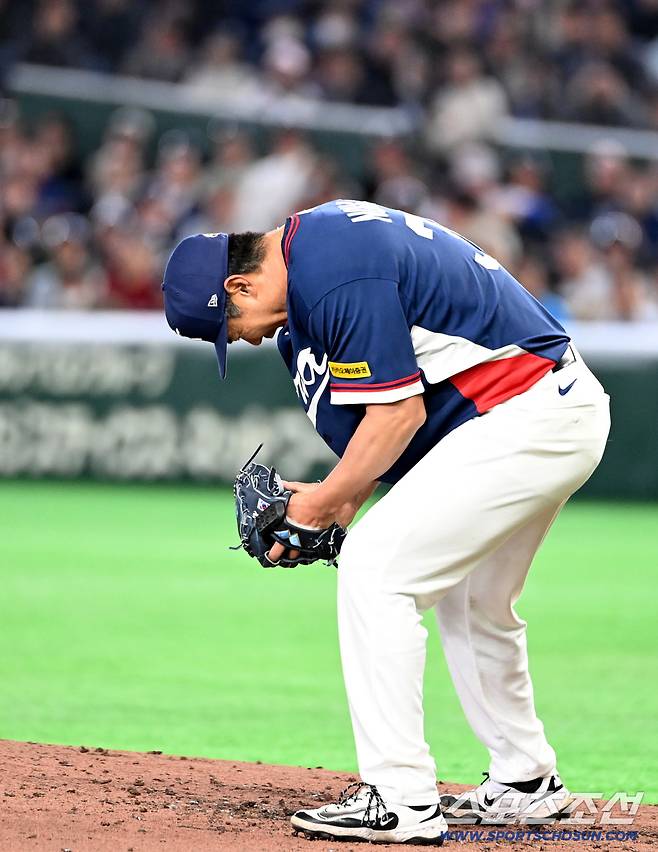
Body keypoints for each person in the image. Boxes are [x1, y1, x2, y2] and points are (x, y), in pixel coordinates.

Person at [162, 200, 610, 845]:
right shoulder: (318, 264)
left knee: (377, 570)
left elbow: (396, 419)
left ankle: (399, 798)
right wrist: (331, 503)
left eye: (230, 325)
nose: (245, 338)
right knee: (472, 598)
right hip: (536, 414)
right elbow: (389, 437)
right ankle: (525, 783)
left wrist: (318, 505)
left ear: (239, 285)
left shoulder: (332, 270)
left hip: (526, 413)